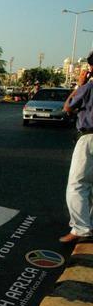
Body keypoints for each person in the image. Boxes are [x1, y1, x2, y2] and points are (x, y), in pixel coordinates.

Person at [61, 50, 93, 243]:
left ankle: (81, 228)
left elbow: (68, 107)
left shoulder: (88, 87)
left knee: (78, 184)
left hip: (89, 138)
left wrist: (79, 85)